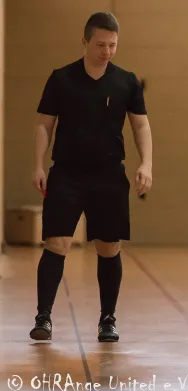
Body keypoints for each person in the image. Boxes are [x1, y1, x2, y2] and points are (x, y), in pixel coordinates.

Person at [28, 12, 153, 343]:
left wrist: (146, 164)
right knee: (57, 243)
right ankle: (43, 316)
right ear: (85, 41)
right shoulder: (61, 79)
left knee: (109, 247)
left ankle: (107, 319)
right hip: (67, 173)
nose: (107, 51)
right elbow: (44, 124)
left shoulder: (126, 81)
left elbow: (140, 124)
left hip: (109, 174)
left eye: (113, 45)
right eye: (100, 44)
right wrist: (38, 165)